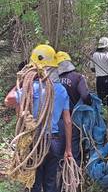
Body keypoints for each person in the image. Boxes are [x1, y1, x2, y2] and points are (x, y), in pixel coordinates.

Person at [5, 44, 73, 192]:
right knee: (50, 182)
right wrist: (68, 148)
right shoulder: (61, 90)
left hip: (34, 140)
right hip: (55, 141)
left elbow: (8, 100)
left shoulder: (32, 87)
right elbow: (67, 121)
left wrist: (22, 81)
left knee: (33, 183)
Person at [56, 51, 91, 166]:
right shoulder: (78, 77)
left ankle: (59, 179)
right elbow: (85, 96)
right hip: (73, 120)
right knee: (73, 152)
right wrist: (89, 104)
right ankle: (73, 179)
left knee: (57, 153)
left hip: (55, 121)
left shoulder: (53, 80)